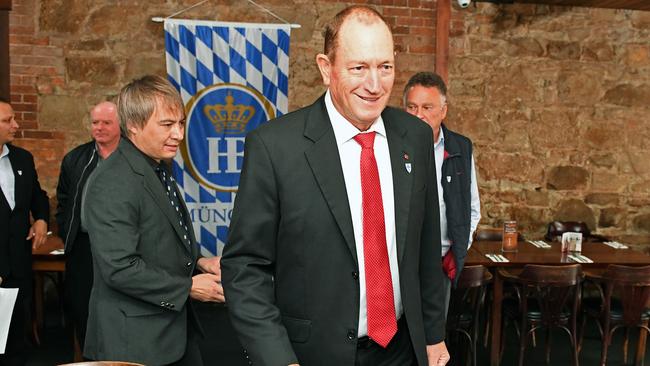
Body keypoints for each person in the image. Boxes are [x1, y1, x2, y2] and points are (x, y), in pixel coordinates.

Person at [222, 6, 450, 366]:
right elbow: (244, 268)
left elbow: (425, 247)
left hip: (403, 350)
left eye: (385, 67)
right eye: (358, 68)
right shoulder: (275, 148)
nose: (375, 85)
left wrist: (434, 335)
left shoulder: (415, 138)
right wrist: (278, 358)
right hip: (311, 355)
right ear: (326, 68)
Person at [82, 75, 224, 366]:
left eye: (181, 123)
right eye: (167, 125)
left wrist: (200, 261)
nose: (179, 135)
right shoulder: (112, 181)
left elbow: (157, 236)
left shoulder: (157, 166)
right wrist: (188, 287)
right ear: (133, 126)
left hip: (173, 332)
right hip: (135, 341)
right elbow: (120, 268)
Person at [403, 72, 481, 308]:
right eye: (412, 107)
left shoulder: (461, 148)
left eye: (427, 107)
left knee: (433, 339)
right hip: (398, 265)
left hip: (439, 266)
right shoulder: (390, 144)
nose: (419, 115)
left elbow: (472, 210)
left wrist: (457, 249)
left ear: (443, 111)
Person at [55, 101, 121, 351]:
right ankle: (90, 356)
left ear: (120, 125)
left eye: (106, 123)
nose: (100, 128)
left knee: (118, 307)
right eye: (95, 123)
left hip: (121, 246)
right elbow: (62, 200)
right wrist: (66, 231)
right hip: (83, 247)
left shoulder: (134, 157)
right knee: (82, 307)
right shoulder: (75, 158)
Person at [0, 97, 49, 366]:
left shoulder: (22, 158)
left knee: (16, 344)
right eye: (8, 120)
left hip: (18, 267)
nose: (15, 125)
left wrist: (41, 218)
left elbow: (37, 196)